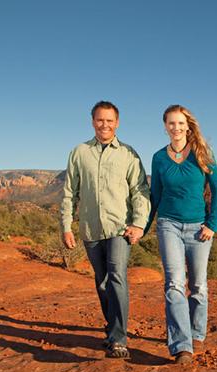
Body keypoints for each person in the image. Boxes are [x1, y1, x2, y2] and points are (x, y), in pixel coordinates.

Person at [61, 100, 150, 358]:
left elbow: (140, 191)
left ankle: (120, 338)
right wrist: (66, 226)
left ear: (117, 123)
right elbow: (69, 193)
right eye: (100, 120)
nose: (105, 125)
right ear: (92, 122)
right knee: (101, 282)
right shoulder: (79, 152)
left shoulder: (128, 153)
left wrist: (139, 223)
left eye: (109, 120)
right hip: (90, 228)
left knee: (117, 276)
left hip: (119, 227)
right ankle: (112, 329)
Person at [147, 104, 217, 364]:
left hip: (199, 227)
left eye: (180, 123)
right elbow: (154, 195)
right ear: (165, 126)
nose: (176, 128)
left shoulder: (203, 153)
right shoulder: (158, 158)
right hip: (168, 224)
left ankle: (196, 332)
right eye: (171, 123)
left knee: (198, 286)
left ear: (188, 126)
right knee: (174, 284)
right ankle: (182, 346)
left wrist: (212, 224)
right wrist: (143, 226)